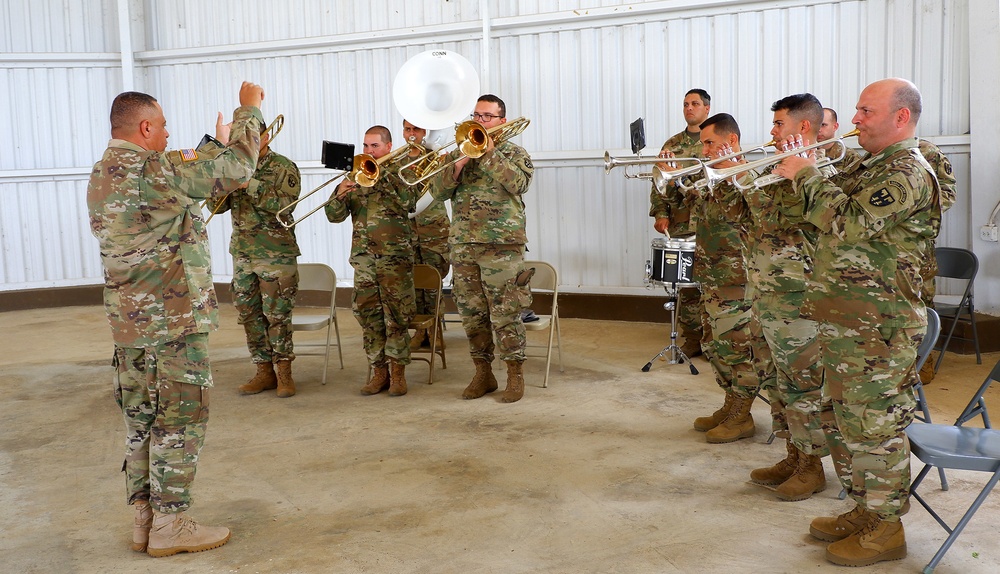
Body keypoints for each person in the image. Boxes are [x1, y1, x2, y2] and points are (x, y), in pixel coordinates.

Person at [87, 82, 264, 556]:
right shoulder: (150, 169)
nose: (168, 134)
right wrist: (249, 114)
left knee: (142, 420)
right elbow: (239, 167)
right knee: (180, 420)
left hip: (132, 324)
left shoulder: (106, 170)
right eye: (162, 126)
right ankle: (172, 525)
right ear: (145, 127)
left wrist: (212, 144)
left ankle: (145, 520)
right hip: (173, 322)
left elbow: (181, 193)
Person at [773, 78, 942, 566]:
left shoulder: (907, 171)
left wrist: (806, 174)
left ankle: (887, 530)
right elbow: (817, 216)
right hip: (848, 322)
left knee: (875, 428)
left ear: (901, 118)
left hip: (879, 328)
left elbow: (847, 222)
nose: (854, 121)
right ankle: (864, 510)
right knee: (848, 424)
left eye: (866, 111)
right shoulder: (872, 166)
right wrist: (807, 164)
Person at [716, 95, 829, 495]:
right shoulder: (780, 168)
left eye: (779, 124)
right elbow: (747, 218)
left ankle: (812, 467)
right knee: (779, 383)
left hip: (797, 298)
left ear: (802, 128)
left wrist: (745, 177)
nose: (771, 132)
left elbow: (781, 219)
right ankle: (793, 455)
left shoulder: (819, 171)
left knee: (803, 386)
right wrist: (737, 179)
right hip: (767, 293)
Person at [427, 94, 534, 403]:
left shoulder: (515, 153)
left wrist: (487, 153)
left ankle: (514, 374)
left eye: (487, 116)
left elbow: (518, 184)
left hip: (502, 247)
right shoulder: (460, 152)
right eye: (476, 115)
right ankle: (483, 373)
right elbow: (437, 191)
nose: (480, 120)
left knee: (505, 313)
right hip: (463, 245)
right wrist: (459, 162)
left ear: (502, 121)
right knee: (472, 314)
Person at [662, 113, 761, 443]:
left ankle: (742, 414)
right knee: (715, 346)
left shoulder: (747, 178)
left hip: (738, 280)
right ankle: (730, 403)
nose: (703, 151)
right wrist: (674, 179)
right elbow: (687, 205)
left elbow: (744, 214)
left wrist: (721, 176)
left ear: (730, 142)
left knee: (738, 350)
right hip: (711, 276)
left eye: (708, 143)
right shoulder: (711, 177)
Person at [209, 118, 302, 398]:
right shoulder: (235, 165)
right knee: (249, 316)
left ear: (265, 137)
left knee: (277, 317)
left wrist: (249, 184)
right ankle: (264, 372)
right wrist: (222, 173)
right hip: (243, 254)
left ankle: (284, 374)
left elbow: (285, 205)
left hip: (275, 254)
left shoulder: (283, 166)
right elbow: (215, 205)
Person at [326, 126, 417, 396]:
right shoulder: (356, 175)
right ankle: (379, 372)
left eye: (374, 146)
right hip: (364, 259)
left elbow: (410, 201)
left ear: (388, 147)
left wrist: (383, 176)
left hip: (394, 258)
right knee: (368, 316)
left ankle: (398, 373)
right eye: (365, 146)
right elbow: (333, 216)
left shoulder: (404, 172)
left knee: (397, 316)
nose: (368, 152)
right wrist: (340, 193)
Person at [649, 89, 711, 358]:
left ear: (707, 109)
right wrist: (660, 212)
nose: (689, 108)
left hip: (712, 222)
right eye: (685, 104)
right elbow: (658, 182)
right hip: (682, 222)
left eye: (695, 104)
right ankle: (693, 339)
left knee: (713, 283)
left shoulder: (715, 138)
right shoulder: (672, 143)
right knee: (686, 285)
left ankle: (716, 341)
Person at [400, 119, 451, 351]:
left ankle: (435, 330)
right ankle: (420, 330)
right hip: (407, 230)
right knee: (413, 281)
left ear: (425, 132)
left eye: (416, 129)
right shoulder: (396, 160)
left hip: (434, 228)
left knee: (433, 280)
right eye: (407, 129)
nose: (412, 134)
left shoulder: (438, 156)